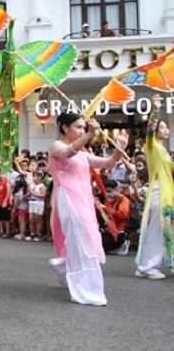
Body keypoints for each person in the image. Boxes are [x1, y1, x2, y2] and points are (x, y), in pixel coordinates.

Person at [47, 113, 127, 306]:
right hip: (68, 199)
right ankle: (84, 289)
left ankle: (73, 274)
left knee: (87, 241)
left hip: (84, 200)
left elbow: (107, 164)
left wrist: (119, 149)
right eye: (78, 127)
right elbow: (67, 153)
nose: (82, 131)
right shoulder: (57, 146)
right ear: (65, 128)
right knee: (80, 242)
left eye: (83, 127)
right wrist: (90, 134)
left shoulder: (83, 153)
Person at [136, 94, 174, 279]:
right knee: (157, 229)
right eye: (162, 127)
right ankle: (148, 266)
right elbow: (150, 130)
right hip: (159, 190)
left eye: (167, 127)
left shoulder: (165, 151)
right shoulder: (151, 146)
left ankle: (148, 264)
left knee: (165, 228)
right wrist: (155, 109)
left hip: (168, 192)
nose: (165, 130)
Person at [100, 179, 130, 255]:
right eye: (106, 191)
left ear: (115, 189)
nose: (107, 193)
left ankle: (123, 242)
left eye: (109, 191)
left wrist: (106, 209)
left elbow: (122, 215)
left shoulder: (123, 200)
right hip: (108, 229)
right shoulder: (108, 200)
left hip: (118, 232)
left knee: (100, 248)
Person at [27, 171, 46, 241]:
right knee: (31, 219)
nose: (33, 178)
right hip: (31, 202)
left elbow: (43, 195)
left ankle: (38, 234)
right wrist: (28, 194)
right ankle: (32, 233)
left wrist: (33, 193)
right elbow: (29, 193)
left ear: (39, 178)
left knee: (38, 219)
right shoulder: (31, 185)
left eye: (35, 176)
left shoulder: (42, 186)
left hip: (39, 202)